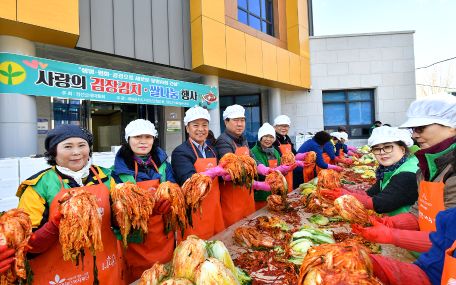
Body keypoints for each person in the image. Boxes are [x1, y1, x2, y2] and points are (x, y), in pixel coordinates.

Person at [16, 124, 126, 284]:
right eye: (67, 146)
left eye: (82, 145)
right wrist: (53, 227)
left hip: (106, 270)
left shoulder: (107, 177)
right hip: (59, 275)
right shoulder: (39, 185)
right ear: (53, 152)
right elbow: (25, 246)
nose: (76, 152)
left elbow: (119, 224)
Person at [351, 93, 456, 259]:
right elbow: (419, 213)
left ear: (452, 125)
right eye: (414, 129)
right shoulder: (428, 166)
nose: (414, 135)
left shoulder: (447, 169)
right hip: (429, 256)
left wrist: (392, 235)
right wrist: (390, 223)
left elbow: (450, 238)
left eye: (421, 127)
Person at [111, 119, 175, 282]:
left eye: (148, 136)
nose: (143, 141)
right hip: (135, 242)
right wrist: (147, 211)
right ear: (128, 139)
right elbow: (117, 214)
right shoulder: (116, 172)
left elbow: (174, 190)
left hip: (163, 235)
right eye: (137, 136)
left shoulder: (163, 165)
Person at [214, 105, 294, 227]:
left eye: (242, 120)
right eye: (236, 120)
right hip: (233, 200)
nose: (240, 124)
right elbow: (232, 173)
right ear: (226, 122)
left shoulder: (243, 140)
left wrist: (268, 170)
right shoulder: (223, 141)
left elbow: (254, 162)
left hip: (247, 195)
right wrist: (258, 185)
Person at [324, 127, 419, 217]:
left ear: (402, 149)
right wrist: (344, 189)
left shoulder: (407, 173)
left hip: (410, 229)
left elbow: (382, 203)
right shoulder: (389, 169)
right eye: (377, 149)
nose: (382, 152)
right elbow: (371, 194)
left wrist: (344, 196)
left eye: (388, 147)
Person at [171, 107, 227, 240]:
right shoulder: (181, 152)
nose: (201, 129)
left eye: (204, 125)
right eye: (196, 125)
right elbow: (188, 180)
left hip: (214, 209)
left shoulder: (212, 150)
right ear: (187, 128)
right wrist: (213, 172)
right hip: (194, 213)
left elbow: (220, 177)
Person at [252, 123, 297, 210]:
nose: (268, 139)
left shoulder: (275, 151)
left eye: (271, 137)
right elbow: (261, 174)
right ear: (260, 137)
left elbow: (281, 171)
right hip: (262, 194)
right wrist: (280, 170)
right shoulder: (255, 151)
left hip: (276, 193)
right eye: (265, 136)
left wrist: (285, 170)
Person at [273, 115, 301, 193]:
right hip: (278, 174)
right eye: (281, 126)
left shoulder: (288, 140)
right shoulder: (272, 140)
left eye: (286, 126)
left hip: (290, 174)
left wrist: (304, 157)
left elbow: (295, 155)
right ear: (275, 127)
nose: (284, 128)